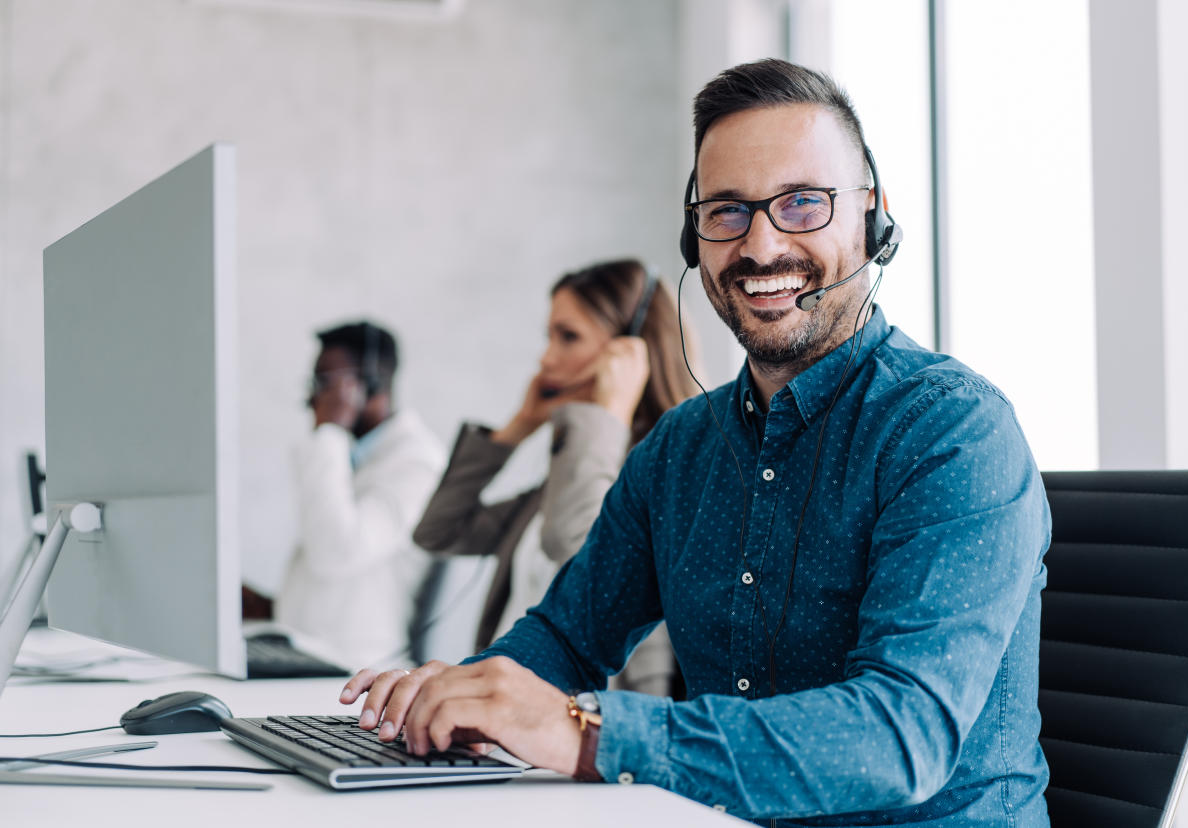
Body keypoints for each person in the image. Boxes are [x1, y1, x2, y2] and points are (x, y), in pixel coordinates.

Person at [341, 59, 1051, 827]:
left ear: (871, 216)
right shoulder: (682, 448)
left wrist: (585, 734)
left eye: (803, 203)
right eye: (727, 212)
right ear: (695, 236)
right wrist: (457, 698)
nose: (761, 245)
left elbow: (898, 738)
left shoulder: (952, 431)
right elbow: (567, 635)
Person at [411, 259, 699, 696]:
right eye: (548, 338)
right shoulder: (567, 477)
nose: (546, 359)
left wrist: (610, 411)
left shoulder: (675, 474)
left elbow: (574, 543)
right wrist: (517, 427)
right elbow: (439, 532)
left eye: (568, 337)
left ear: (630, 349)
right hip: (501, 727)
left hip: (585, 738)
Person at [272, 321, 447, 666]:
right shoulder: (354, 456)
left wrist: (329, 433)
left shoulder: (418, 463)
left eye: (323, 383)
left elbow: (337, 551)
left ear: (369, 384)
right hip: (311, 655)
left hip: (357, 668)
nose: (312, 398)